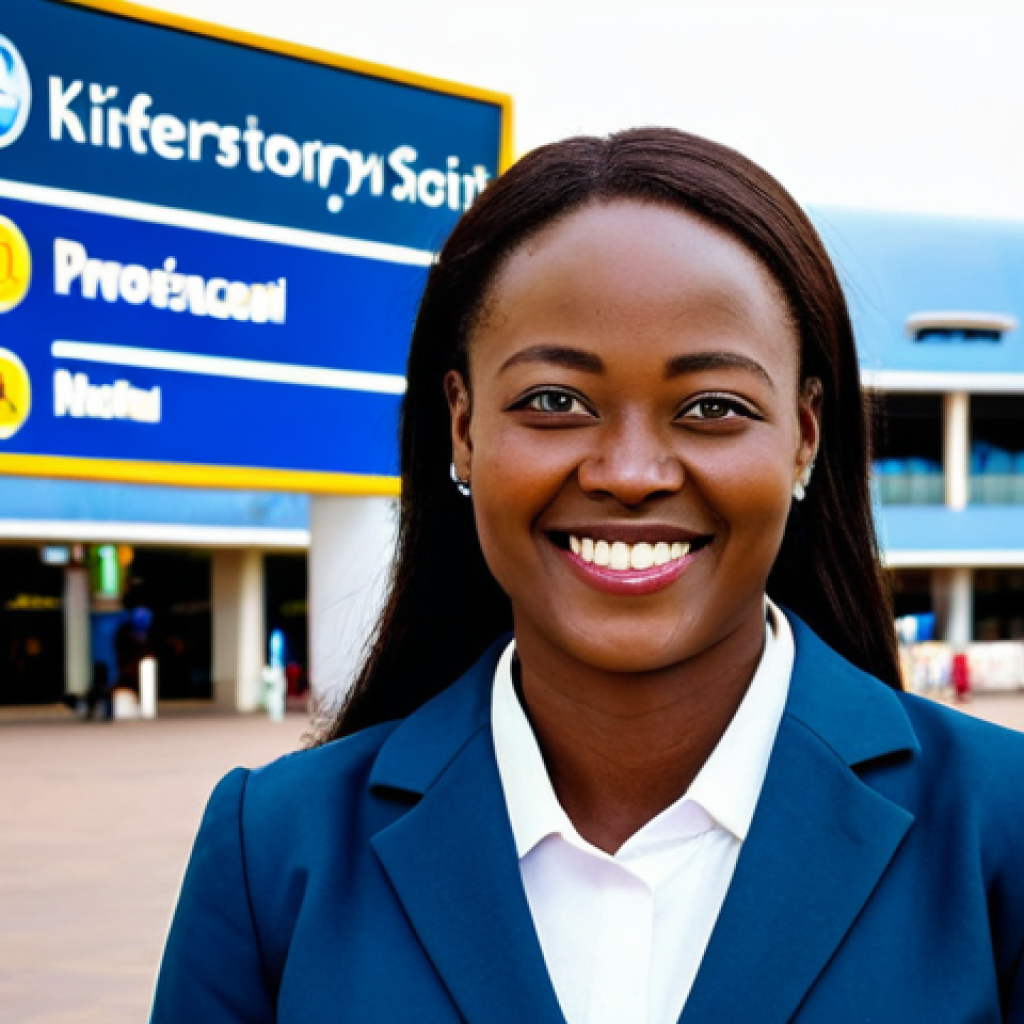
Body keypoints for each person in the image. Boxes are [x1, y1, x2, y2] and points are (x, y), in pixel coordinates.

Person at [151, 130, 1024, 1023]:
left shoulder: (1002, 828)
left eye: (713, 407)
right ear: (462, 427)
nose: (631, 471)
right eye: (555, 402)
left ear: (803, 437)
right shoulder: (272, 854)